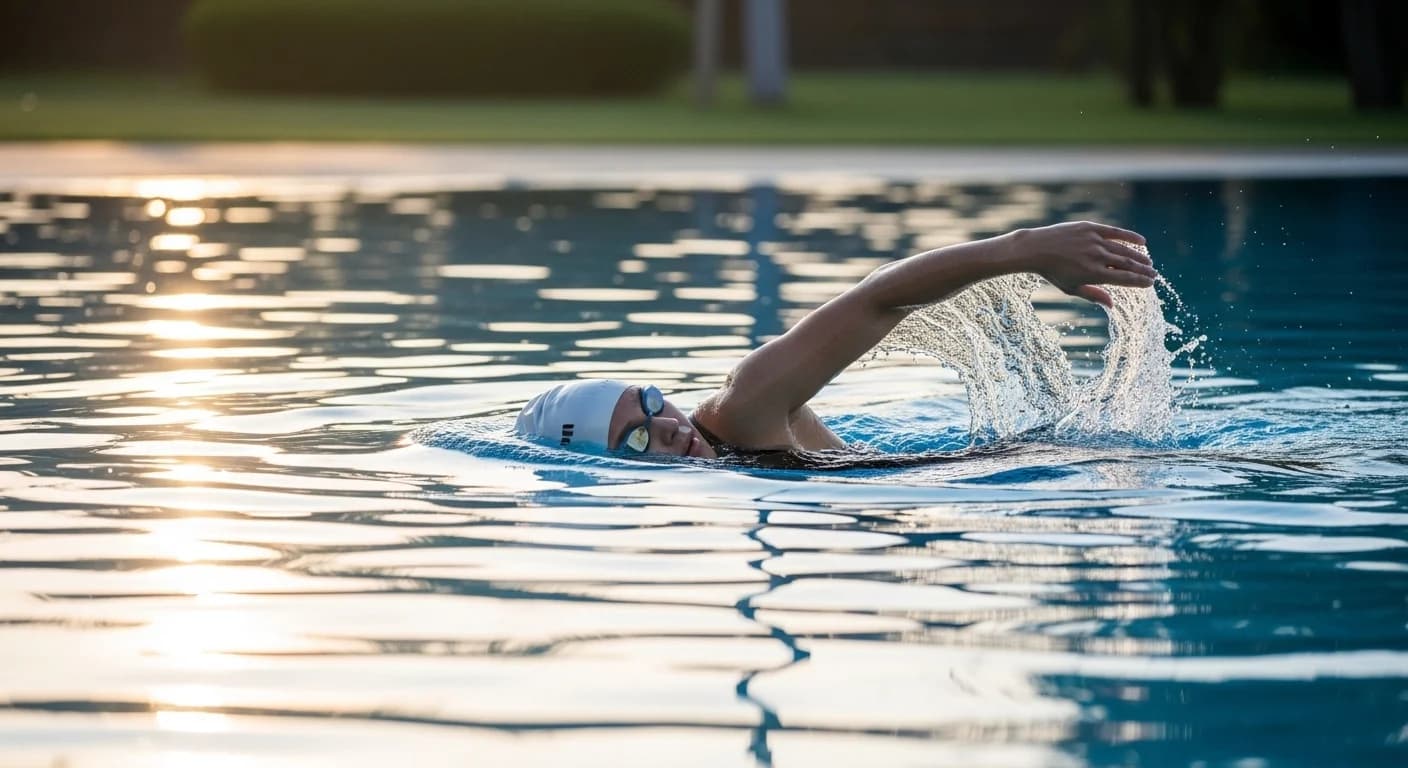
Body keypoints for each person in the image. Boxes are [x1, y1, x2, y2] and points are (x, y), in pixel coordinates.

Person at [515, 221, 1155, 464]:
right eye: (635, 439)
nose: (666, 427)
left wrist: (1023, 249)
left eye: (648, 402)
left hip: (1032, 469)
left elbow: (876, 298)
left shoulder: (745, 406)